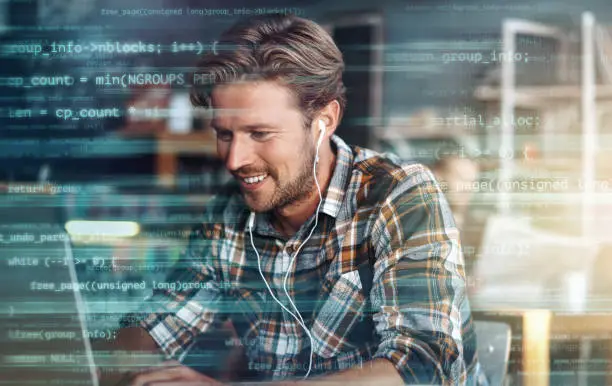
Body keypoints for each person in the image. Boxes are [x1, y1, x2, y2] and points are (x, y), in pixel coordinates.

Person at [98, 13, 487, 386]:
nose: (235, 160)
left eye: (260, 133)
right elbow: (158, 322)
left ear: (324, 120)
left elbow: (424, 366)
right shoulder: (228, 214)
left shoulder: (399, 195)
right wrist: (103, 368)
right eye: (225, 134)